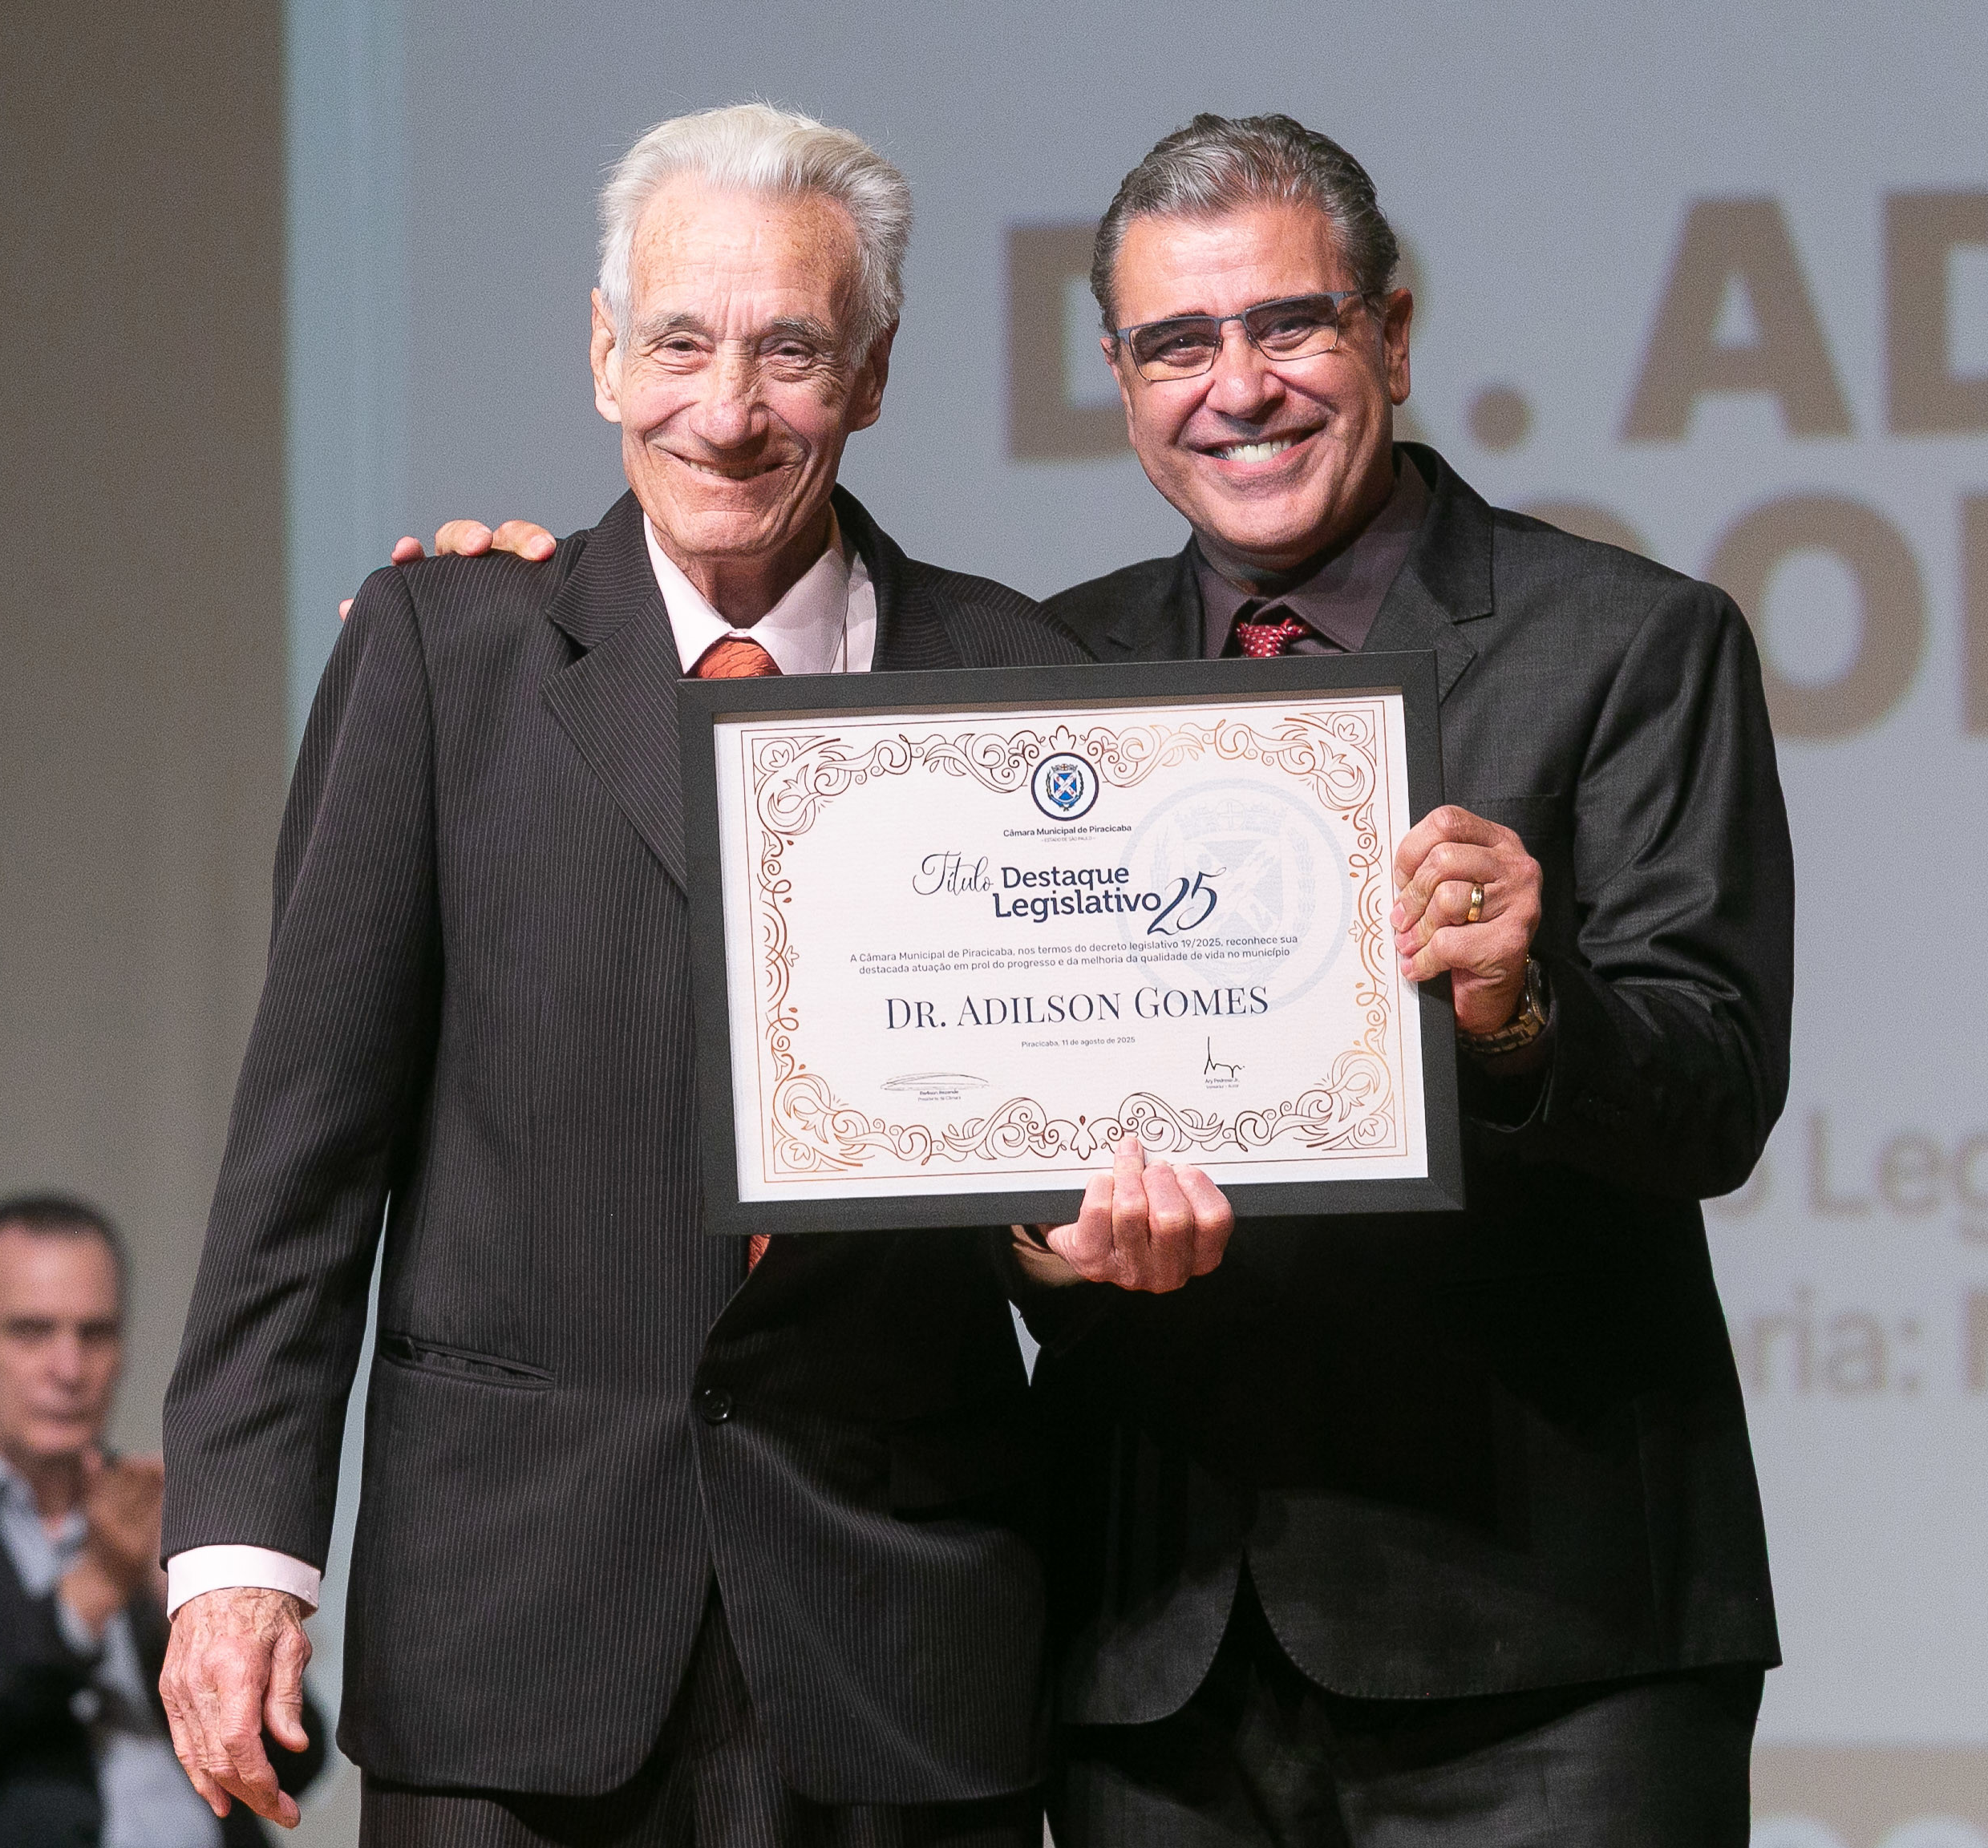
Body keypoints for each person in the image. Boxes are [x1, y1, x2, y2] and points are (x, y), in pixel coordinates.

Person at [397, 106, 1790, 1848]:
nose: (1238, 388)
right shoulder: (1030, 668)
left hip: (1541, 1635)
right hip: (1146, 1648)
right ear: (1120, 382)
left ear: (1389, 336)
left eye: (1288, 325)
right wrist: (511, 615)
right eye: (1175, 344)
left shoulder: (1630, 642)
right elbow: (948, 1120)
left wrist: (1523, 1013)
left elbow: (1716, 1091)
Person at [157, 102, 1154, 1848]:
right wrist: (240, 1557)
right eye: (680, 342)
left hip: (897, 1647)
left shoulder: (1018, 679)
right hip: (512, 1643)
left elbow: (1071, 1168)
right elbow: (301, 1157)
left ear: (873, 373)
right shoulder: (443, 655)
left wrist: (1069, 1255)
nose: (728, 407)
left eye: (790, 352)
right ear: (603, 353)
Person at [0, 1193, 323, 1847]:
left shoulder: (162, 1517)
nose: (69, 1369)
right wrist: (92, 1589)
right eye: (31, 1332)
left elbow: (297, 1764)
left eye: (94, 1334)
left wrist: (185, 1602)